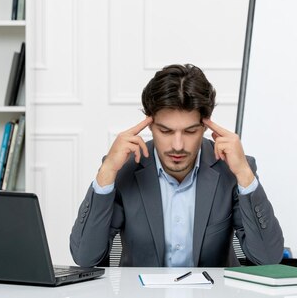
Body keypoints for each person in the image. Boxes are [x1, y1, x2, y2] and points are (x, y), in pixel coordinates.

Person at [70, 64, 283, 267]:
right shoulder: (125, 168)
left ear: (205, 126)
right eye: (166, 131)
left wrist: (244, 173)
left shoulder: (231, 169)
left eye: (190, 131)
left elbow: (267, 259)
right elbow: (85, 258)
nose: (178, 146)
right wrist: (107, 172)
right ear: (150, 125)